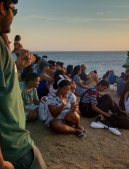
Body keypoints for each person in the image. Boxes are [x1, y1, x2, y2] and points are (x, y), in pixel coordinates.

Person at [0, 1, 47, 168]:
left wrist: (18, 66)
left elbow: (5, 85)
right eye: (15, 10)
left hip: (15, 141)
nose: (14, 16)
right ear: (2, 8)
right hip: (15, 147)